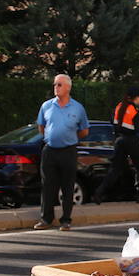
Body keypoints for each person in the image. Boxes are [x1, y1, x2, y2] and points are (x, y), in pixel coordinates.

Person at [35, 74, 89, 231]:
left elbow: (84, 130)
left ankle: (66, 219)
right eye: (55, 84)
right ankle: (46, 218)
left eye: (59, 85)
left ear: (68, 87)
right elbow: (41, 127)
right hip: (50, 150)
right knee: (48, 185)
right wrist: (51, 136)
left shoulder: (78, 108)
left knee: (67, 185)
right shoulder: (46, 106)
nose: (56, 87)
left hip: (68, 150)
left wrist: (70, 138)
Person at [94, 86, 139, 205]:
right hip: (131, 141)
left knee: (115, 169)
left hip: (119, 141)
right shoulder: (134, 111)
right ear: (135, 98)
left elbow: (113, 122)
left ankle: (99, 193)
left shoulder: (119, 107)